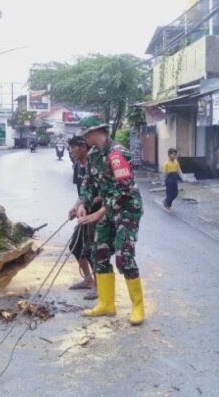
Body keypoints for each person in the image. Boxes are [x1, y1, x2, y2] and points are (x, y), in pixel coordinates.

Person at [76, 116, 145, 325]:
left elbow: (124, 189)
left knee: (124, 255)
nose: (84, 140)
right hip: (107, 210)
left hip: (126, 210)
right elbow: (88, 184)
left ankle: (138, 307)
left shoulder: (117, 153)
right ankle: (106, 304)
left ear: (93, 133)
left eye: (85, 135)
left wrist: (99, 213)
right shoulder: (94, 155)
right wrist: (81, 204)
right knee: (100, 252)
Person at [67, 135, 99, 300]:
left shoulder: (96, 164)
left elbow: (104, 192)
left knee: (93, 250)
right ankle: (88, 279)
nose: (70, 151)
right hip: (84, 212)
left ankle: (99, 286)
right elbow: (82, 193)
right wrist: (75, 207)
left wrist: (85, 205)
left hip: (98, 214)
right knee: (75, 246)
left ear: (83, 148)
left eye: (73, 148)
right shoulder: (78, 167)